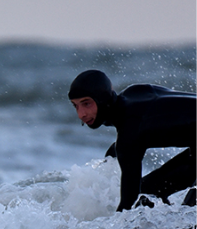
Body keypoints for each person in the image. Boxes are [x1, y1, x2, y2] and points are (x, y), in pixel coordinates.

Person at [68, 69, 196, 212]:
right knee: (148, 193)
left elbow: (127, 205)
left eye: (86, 103)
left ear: (102, 100)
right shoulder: (133, 93)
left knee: (184, 218)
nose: (81, 114)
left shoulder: (130, 131)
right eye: (75, 105)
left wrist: (111, 226)